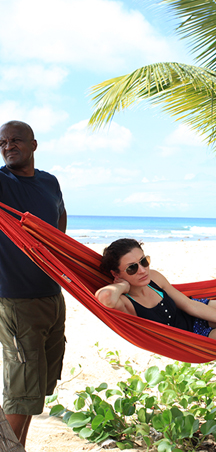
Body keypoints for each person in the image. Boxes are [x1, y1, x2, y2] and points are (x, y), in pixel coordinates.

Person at [95, 238, 216, 348]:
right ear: (116, 273)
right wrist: (122, 285)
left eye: (144, 261)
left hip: (200, 311)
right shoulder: (125, 302)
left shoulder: (154, 277)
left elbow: (190, 306)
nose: (142, 270)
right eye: (132, 268)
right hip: (195, 338)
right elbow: (104, 298)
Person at [0, 121, 67, 447]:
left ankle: (18, 447)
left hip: (52, 295)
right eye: (3, 142)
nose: (8, 146)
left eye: (15, 140)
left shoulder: (49, 182)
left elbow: (60, 219)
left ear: (34, 145)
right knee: (19, 389)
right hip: (15, 300)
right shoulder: (2, 181)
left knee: (36, 386)